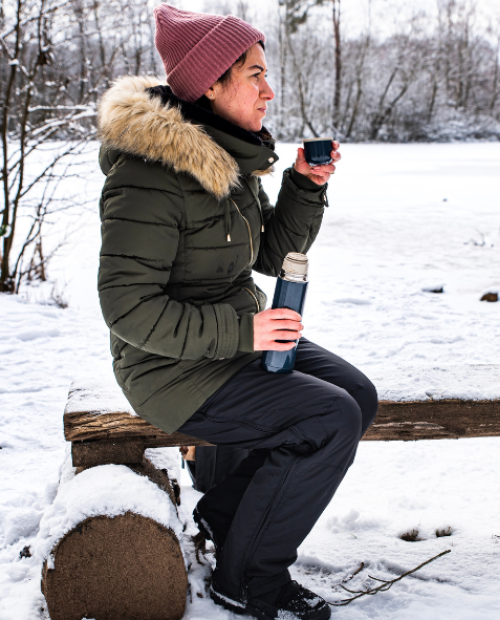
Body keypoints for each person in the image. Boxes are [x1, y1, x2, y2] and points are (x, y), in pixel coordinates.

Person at [96, 5, 377, 619]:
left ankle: (226, 521)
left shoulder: (228, 157)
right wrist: (244, 329)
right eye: (254, 75)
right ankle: (248, 581)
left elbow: (272, 254)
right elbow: (127, 309)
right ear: (210, 85)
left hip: (237, 342)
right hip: (170, 369)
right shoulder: (148, 178)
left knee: (357, 394)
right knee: (327, 418)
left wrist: (304, 185)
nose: (269, 91)